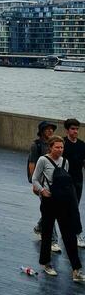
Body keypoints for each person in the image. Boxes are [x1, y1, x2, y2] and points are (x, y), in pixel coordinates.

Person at [31, 135, 85, 282]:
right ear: (51, 147)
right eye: (57, 147)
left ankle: (76, 270)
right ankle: (46, 263)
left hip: (63, 202)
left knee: (68, 234)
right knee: (47, 233)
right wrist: (42, 190)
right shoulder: (43, 160)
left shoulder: (65, 162)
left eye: (62, 147)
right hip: (49, 202)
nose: (60, 150)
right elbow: (35, 179)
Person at [28, 121, 61, 252]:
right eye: (47, 129)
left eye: (51, 129)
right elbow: (32, 163)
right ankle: (53, 241)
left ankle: (39, 227)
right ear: (42, 131)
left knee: (50, 211)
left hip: (54, 185)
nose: (50, 131)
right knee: (51, 211)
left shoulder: (54, 146)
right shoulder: (36, 145)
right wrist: (34, 183)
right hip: (42, 185)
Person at [63, 118, 85, 248]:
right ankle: (77, 233)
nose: (75, 131)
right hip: (63, 181)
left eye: (77, 129)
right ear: (67, 130)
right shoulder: (61, 143)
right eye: (73, 129)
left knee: (74, 207)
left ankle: (75, 233)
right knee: (60, 208)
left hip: (77, 181)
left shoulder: (82, 145)